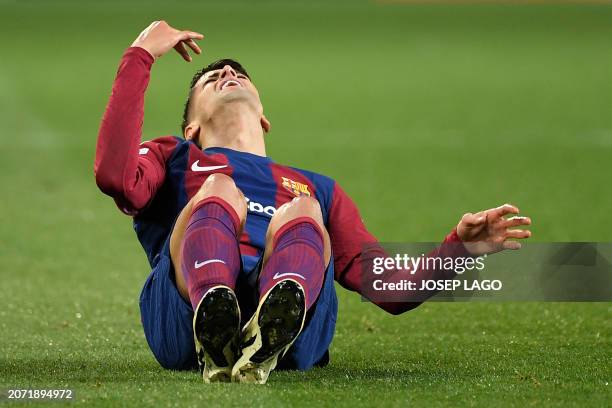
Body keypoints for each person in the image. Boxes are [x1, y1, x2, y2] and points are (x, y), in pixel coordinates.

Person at [94, 21, 532, 384]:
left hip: (295, 337)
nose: (227, 71)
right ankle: (215, 323)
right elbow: (114, 176)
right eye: (212, 79)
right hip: (180, 320)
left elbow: (388, 287)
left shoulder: (316, 189)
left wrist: (459, 249)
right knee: (221, 191)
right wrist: (141, 55)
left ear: (264, 117)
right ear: (191, 126)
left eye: (238, 74)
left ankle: (269, 333)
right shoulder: (177, 156)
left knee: (302, 213)